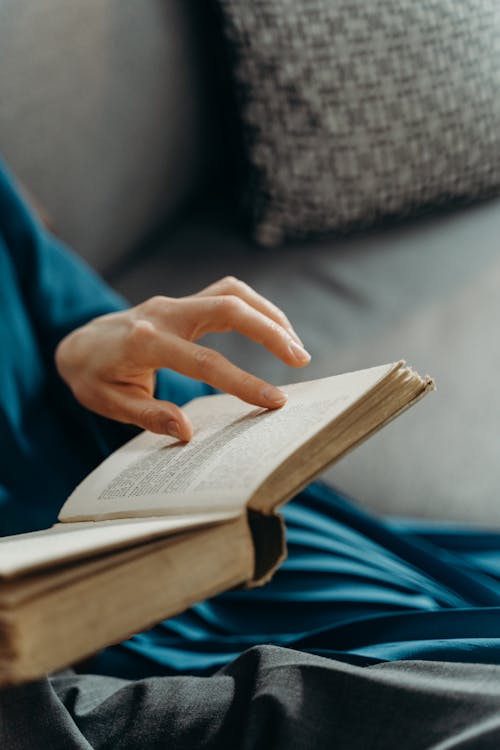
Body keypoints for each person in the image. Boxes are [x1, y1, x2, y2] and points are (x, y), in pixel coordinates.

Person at [2, 156, 500, 749]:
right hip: (52, 625)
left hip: (125, 469)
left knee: (430, 619)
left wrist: (87, 345)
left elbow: (47, 288)